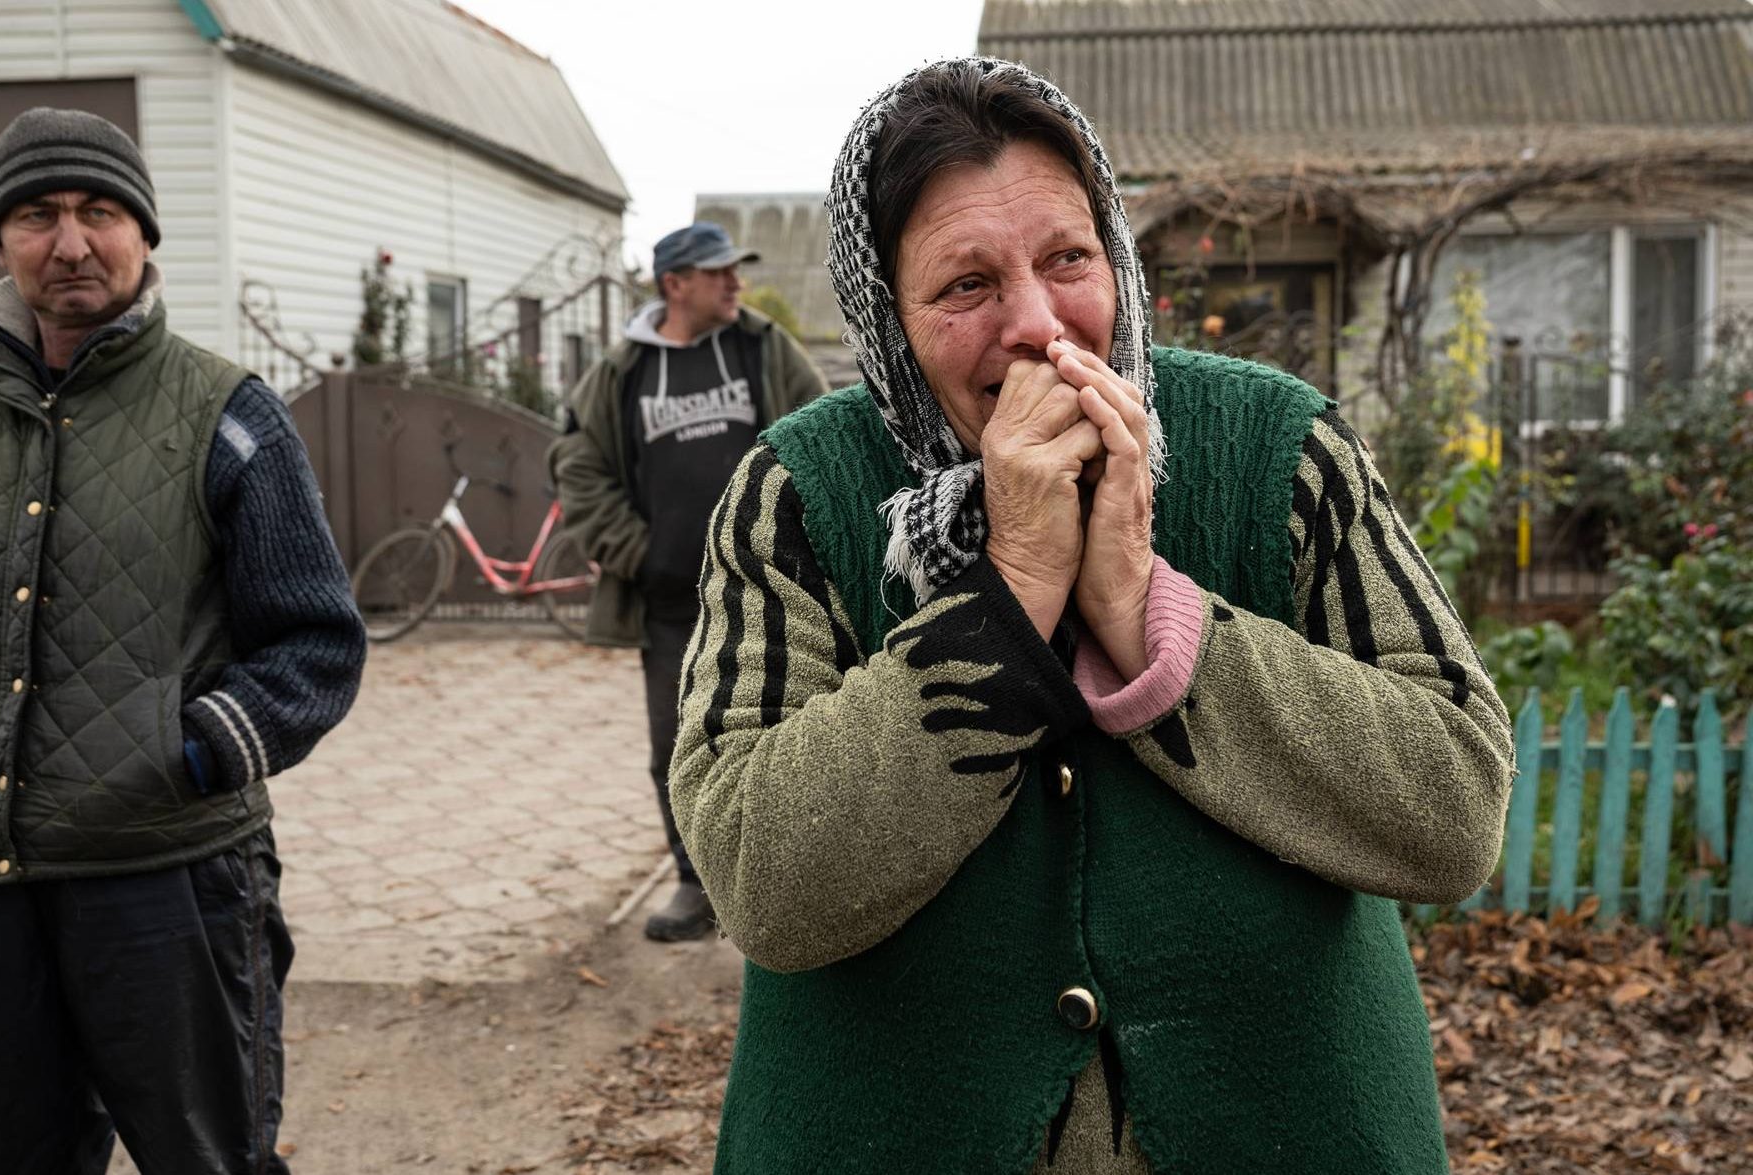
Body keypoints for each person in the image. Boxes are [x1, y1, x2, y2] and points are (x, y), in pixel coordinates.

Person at [670, 59, 1514, 1173]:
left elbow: (1454, 802)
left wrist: (1142, 608)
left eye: (1068, 259)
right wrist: (1007, 594)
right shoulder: (795, 494)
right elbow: (755, 876)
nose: (1036, 323)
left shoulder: (1280, 452)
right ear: (887, 315)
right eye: (964, 285)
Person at [0, 107, 365, 1174]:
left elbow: (316, 645)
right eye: (37, 215)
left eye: (99, 212)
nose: (71, 243)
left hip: (168, 879)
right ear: (0, 241)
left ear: (144, 233)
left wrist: (185, 749)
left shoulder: (229, 415)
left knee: (211, 1159)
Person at [549, 222, 826, 942]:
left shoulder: (762, 348)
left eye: (736, 270)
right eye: (718, 273)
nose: (736, 282)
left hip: (772, 590)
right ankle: (695, 885)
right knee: (678, 744)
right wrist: (639, 551)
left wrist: (793, 534)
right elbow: (579, 468)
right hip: (671, 601)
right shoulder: (623, 372)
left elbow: (823, 431)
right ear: (675, 285)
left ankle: (789, 886)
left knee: (789, 732)